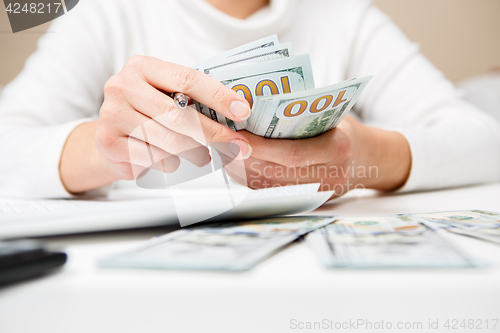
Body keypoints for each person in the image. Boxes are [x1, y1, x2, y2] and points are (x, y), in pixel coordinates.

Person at [0, 0, 499, 199]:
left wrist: (362, 157)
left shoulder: (345, 14)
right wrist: (102, 148)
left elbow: (484, 142)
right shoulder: (104, 12)